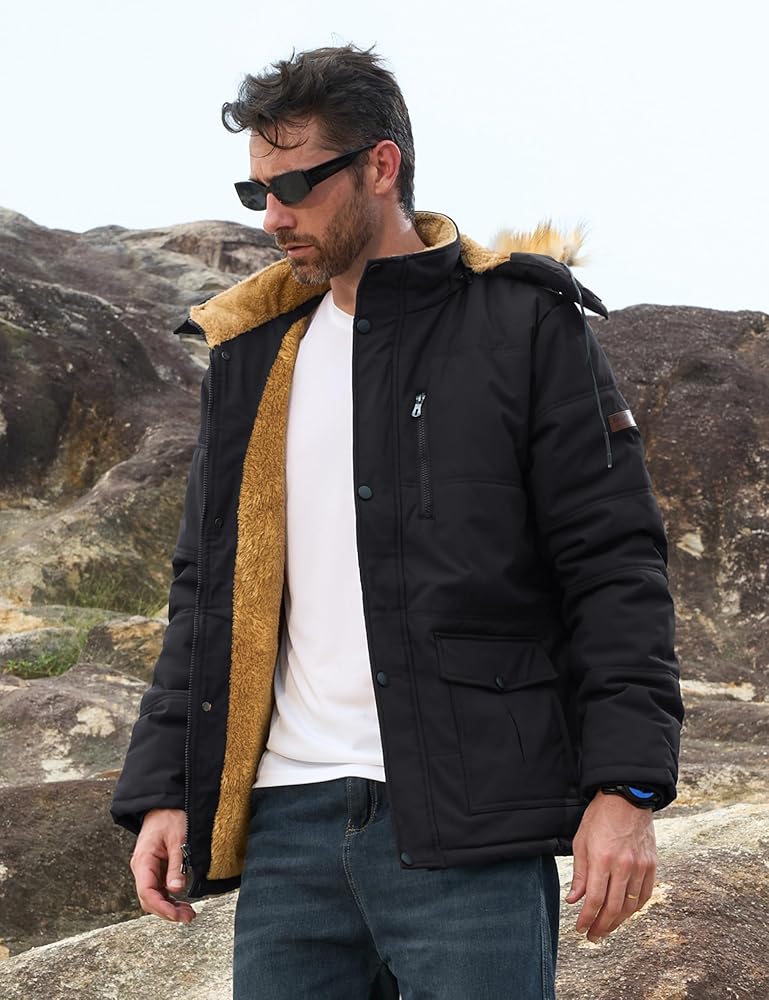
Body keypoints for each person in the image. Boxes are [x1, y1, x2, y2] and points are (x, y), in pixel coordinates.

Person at [111, 44, 684, 1000]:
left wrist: (625, 789)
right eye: (256, 191)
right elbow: (206, 591)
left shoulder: (522, 324)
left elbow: (612, 566)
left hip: (471, 827)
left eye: (295, 185)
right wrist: (165, 789)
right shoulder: (252, 353)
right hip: (287, 831)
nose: (272, 216)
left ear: (381, 166)